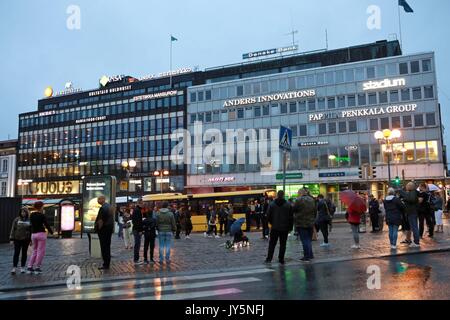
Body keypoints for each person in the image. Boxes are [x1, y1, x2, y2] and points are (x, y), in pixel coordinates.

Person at [265, 190, 293, 265]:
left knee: (272, 244)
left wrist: (271, 223)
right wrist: (290, 227)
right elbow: (291, 217)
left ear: (277, 195)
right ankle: (281, 259)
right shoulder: (288, 204)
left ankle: (269, 258)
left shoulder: (272, 204)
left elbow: (268, 216)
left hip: (275, 227)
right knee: (283, 244)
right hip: (285, 227)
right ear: (283, 195)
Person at [27, 201, 54, 274]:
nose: (43, 207)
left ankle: (29, 266)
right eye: (42, 206)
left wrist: (30, 236)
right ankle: (37, 267)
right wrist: (51, 232)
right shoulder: (42, 215)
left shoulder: (32, 215)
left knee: (34, 250)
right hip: (41, 234)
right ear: (40, 207)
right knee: (40, 251)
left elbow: (30, 226)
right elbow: (46, 224)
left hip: (33, 234)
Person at [293, 189, 317, 261]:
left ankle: (306, 256)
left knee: (304, 240)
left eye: (298, 193)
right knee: (308, 240)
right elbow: (315, 211)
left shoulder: (298, 200)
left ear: (300, 193)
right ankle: (310, 254)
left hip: (301, 223)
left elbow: (294, 209)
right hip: (310, 222)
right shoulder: (312, 200)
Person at [95, 196, 114, 271]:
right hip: (108, 229)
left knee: (104, 247)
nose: (98, 200)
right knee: (107, 246)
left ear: (103, 199)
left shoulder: (103, 208)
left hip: (103, 230)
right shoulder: (109, 207)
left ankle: (105, 264)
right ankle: (107, 263)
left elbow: (100, 220)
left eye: (99, 199)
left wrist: (98, 229)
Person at [10, 207, 31, 275]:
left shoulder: (29, 220)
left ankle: (22, 267)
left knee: (24, 253)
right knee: (16, 253)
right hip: (17, 239)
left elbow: (31, 230)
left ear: (27, 213)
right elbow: (13, 229)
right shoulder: (16, 219)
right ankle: (14, 268)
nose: (23, 213)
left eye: (24, 212)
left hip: (26, 239)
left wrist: (31, 240)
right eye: (22, 212)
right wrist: (11, 239)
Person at [400, 182, 421, 247]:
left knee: (414, 227)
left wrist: (404, 198)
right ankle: (416, 241)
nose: (406, 187)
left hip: (412, 212)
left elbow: (411, 199)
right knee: (413, 227)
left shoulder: (413, 192)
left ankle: (416, 242)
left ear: (410, 186)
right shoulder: (412, 192)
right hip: (411, 212)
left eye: (407, 186)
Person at [132, 199, 144, 265]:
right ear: (140, 203)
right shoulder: (137, 210)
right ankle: (136, 260)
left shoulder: (137, 210)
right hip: (137, 230)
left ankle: (136, 259)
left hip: (136, 229)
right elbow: (137, 222)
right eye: (142, 203)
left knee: (137, 245)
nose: (143, 204)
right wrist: (140, 230)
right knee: (137, 245)